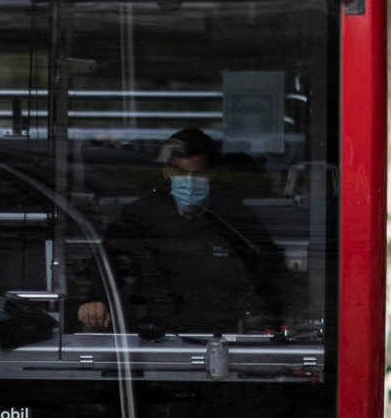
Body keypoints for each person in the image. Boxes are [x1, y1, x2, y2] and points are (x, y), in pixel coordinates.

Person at [74, 127, 285, 336]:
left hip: (219, 332)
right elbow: (108, 262)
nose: (190, 183)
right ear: (168, 173)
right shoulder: (141, 215)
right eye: (181, 173)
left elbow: (268, 270)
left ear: (210, 175)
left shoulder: (232, 217)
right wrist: (96, 299)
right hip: (154, 331)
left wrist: (277, 317)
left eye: (198, 174)